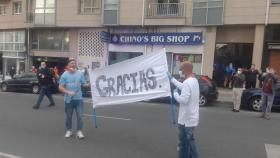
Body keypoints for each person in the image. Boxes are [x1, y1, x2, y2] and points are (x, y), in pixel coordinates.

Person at [167, 61, 199, 158]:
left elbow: (184, 100)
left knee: (185, 143)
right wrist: (172, 79)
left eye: (181, 69)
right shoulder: (194, 81)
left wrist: (175, 94)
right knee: (188, 142)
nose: (180, 71)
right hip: (191, 118)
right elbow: (183, 86)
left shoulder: (187, 82)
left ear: (186, 69)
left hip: (186, 120)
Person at [59, 58, 89, 139]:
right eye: (71, 63)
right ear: (68, 65)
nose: (73, 64)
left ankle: (79, 131)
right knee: (69, 116)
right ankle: (69, 130)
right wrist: (68, 92)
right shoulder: (64, 74)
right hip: (68, 100)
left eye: (74, 63)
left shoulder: (80, 74)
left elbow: (84, 84)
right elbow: (60, 87)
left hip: (78, 99)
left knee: (80, 116)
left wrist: (90, 84)